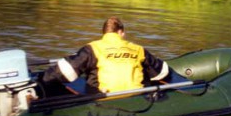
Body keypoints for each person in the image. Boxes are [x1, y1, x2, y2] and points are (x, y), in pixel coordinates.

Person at [38, 17, 178, 97]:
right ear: (121, 32)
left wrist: (41, 79)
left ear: (104, 33)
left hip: (105, 99)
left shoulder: (93, 48)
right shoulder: (139, 49)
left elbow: (67, 69)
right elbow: (163, 72)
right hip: (135, 98)